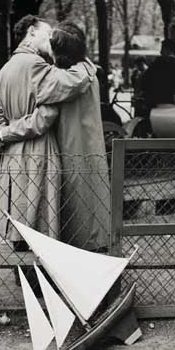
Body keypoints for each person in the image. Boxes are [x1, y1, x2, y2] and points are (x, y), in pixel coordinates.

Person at [0, 15, 96, 251]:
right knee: (41, 225)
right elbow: (46, 115)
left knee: (18, 221)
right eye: (47, 34)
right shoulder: (38, 66)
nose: (51, 39)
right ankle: (38, 282)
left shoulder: (4, 70)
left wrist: (0, 134)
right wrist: (87, 66)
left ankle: (22, 276)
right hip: (38, 153)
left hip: (10, 158)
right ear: (32, 32)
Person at [50, 22, 110, 251]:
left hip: (71, 147)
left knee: (75, 203)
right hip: (90, 146)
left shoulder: (64, 79)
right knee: (93, 199)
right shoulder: (89, 71)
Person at [141, 38, 175, 111]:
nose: (160, 52)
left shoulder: (157, 63)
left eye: (162, 49)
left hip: (157, 103)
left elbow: (144, 82)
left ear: (167, 50)